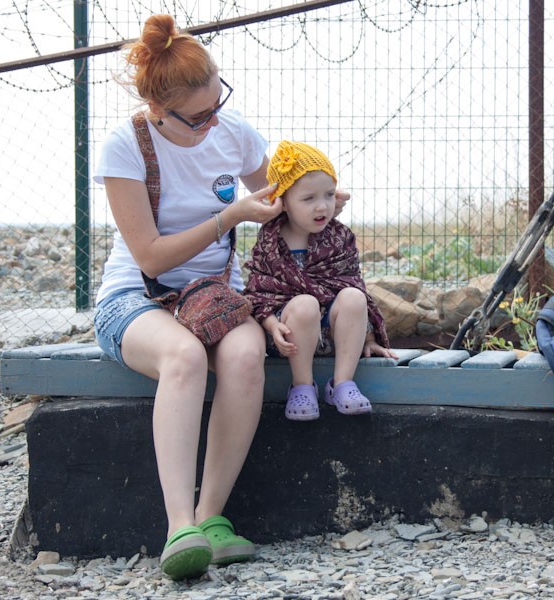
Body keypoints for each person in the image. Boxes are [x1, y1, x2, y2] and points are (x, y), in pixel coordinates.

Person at [92, 15, 349, 581]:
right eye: (200, 115)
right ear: (160, 109)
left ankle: (212, 519)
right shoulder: (125, 146)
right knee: (183, 358)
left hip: (214, 295)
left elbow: (283, 211)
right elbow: (152, 257)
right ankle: (178, 526)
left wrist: (317, 201)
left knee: (244, 353)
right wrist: (228, 217)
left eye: (218, 103)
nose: (213, 122)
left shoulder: (233, 131)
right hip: (135, 299)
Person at [244, 141, 397, 422]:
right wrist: (270, 324)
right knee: (303, 304)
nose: (322, 206)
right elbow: (258, 294)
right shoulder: (271, 241)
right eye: (308, 198)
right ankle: (302, 386)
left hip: (328, 333)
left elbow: (353, 283)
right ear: (283, 202)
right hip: (287, 334)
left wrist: (369, 335)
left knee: (353, 296)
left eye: (328, 195)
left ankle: (342, 384)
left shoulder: (339, 238)